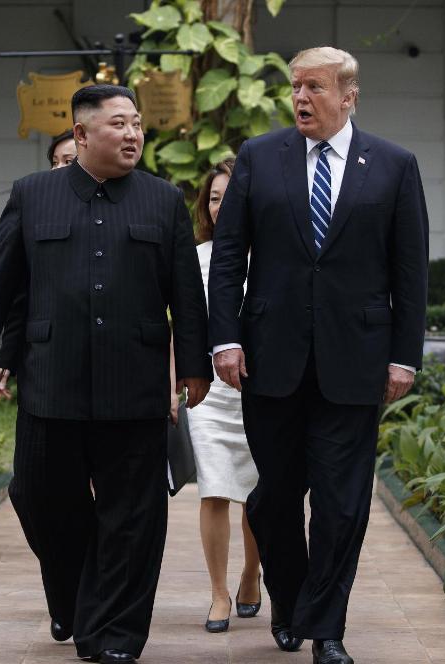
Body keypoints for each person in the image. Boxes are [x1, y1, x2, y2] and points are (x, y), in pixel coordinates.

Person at [0, 85, 212, 664]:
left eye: (138, 124)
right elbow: (0, 282)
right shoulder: (33, 195)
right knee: (41, 497)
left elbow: (187, 298)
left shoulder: (163, 201)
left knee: (133, 517)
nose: (132, 134)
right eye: (119, 124)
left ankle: (116, 636)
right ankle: (73, 595)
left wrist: (194, 367)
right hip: (51, 384)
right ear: (81, 135)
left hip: (136, 386)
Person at [206, 47, 429, 664]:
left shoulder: (392, 164)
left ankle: (327, 628)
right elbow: (229, 258)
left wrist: (404, 355)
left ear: (349, 95)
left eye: (315, 87)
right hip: (269, 362)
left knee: (340, 503)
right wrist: (225, 338)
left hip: (354, 363)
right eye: (295, 87)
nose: (301, 98)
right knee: (275, 499)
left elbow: (409, 273)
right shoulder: (260, 157)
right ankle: (290, 596)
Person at [186, 158, 263, 634]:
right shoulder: (194, 258)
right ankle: (218, 594)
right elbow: (184, 327)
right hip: (211, 395)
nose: (221, 206)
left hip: (262, 391)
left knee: (260, 496)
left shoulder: (274, 256)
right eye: (213, 198)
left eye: (229, 196)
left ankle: (251, 574)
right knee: (214, 490)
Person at [0, 129, 77, 394]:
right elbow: (20, 291)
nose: (58, 169)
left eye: (68, 162)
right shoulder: (36, 211)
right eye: (55, 162)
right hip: (49, 359)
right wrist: (7, 357)